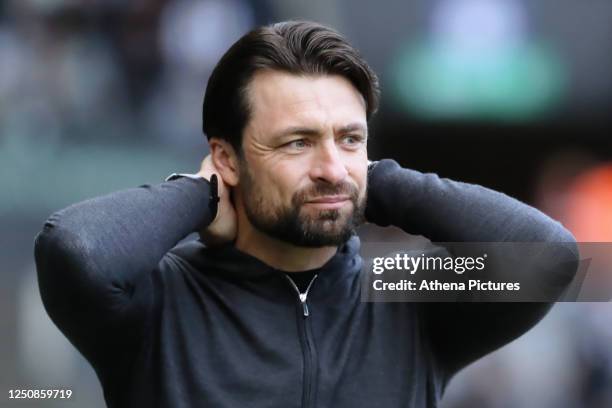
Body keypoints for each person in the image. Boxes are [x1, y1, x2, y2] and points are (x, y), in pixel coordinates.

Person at [34, 21, 579, 408]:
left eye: (349, 138)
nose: (330, 167)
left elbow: (551, 258)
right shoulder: (160, 300)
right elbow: (75, 249)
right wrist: (199, 195)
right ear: (226, 157)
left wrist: (371, 181)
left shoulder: (403, 290)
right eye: (297, 143)